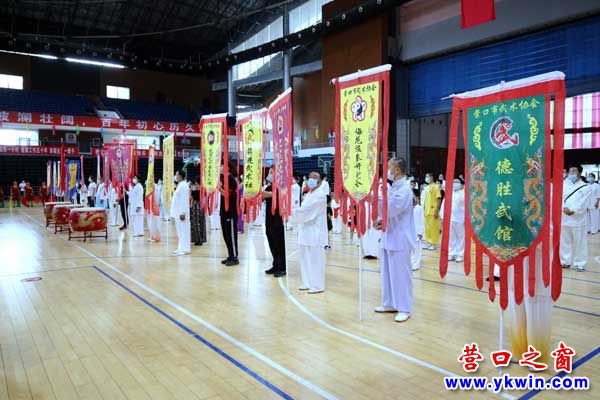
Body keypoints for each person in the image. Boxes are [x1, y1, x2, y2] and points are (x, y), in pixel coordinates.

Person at [374, 157, 415, 323]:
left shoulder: (405, 190)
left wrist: (375, 194)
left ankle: (404, 308)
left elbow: (390, 209)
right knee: (387, 273)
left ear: (397, 170)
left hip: (400, 239)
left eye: (389, 167)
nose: (387, 170)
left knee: (401, 275)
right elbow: (386, 213)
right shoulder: (393, 188)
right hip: (388, 236)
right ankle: (390, 303)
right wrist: (380, 221)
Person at [289, 171, 328, 294]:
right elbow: (302, 210)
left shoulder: (320, 195)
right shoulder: (309, 194)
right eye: (310, 177)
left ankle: (317, 285)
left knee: (316, 259)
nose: (311, 179)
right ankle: (307, 282)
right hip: (305, 230)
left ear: (320, 181)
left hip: (315, 232)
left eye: (315, 177)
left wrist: (290, 213)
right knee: (305, 258)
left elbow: (306, 212)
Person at [560, 166, 592, 271]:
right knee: (565, 241)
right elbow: (559, 198)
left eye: (574, 171)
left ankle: (580, 263)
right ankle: (565, 261)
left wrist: (573, 210)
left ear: (580, 172)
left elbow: (584, 202)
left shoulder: (586, 187)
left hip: (578, 219)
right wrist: (564, 208)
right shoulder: (563, 185)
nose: (572, 173)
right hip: (564, 217)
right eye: (570, 171)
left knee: (580, 242)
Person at [263, 168, 286, 277]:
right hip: (269, 219)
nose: (270, 174)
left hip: (277, 219)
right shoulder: (269, 186)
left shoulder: (281, 186)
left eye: (272, 173)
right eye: (269, 173)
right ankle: (275, 264)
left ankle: (282, 267)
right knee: (272, 243)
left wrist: (258, 191)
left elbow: (271, 194)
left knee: (279, 244)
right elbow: (263, 196)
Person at [219, 164, 239, 266]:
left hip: (230, 212)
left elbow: (227, 195)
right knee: (226, 235)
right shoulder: (223, 179)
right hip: (224, 212)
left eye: (222, 166)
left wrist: (219, 188)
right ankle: (230, 255)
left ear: (227, 168)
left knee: (231, 235)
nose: (220, 168)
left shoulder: (231, 179)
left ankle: (234, 257)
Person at [171, 170, 191, 255]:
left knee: (184, 231)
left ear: (180, 176)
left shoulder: (184, 186)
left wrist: (183, 212)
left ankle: (185, 249)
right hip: (177, 212)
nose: (175, 176)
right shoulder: (180, 185)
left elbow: (184, 200)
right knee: (180, 232)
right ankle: (180, 248)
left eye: (176, 175)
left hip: (182, 213)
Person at [446, 178, 465, 262]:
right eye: (454, 182)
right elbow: (444, 205)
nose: (455, 184)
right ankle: (451, 253)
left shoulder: (463, 194)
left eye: (457, 182)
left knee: (461, 237)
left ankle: (460, 254)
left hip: (460, 219)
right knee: (451, 237)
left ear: (461, 184)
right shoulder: (449, 193)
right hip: (451, 218)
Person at [422, 172, 442, 250]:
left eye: (428, 176)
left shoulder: (436, 187)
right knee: (427, 228)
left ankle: (433, 243)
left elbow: (439, 199)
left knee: (433, 228)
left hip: (433, 211)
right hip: (426, 211)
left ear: (432, 177)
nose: (426, 178)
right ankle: (428, 242)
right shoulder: (427, 187)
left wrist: (437, 210)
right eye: (426, 176)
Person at [411, 189, 424, 271]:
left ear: (417, 198)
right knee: (410, 249)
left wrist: (420, 232)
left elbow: (422, 221)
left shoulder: (420, 208)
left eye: (413, 197)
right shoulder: (408, 208)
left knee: (417, 249)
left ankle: (416, 264)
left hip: (417, 232)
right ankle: (411, 263)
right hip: (410, 232)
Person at [190, 180, 207, 246]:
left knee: (196, 223)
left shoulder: (196, 190)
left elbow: (191, 197)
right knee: (200, 222)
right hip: (201, 206)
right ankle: (200, 239)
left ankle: (198, 239)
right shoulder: (203, 189)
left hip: (196, 206)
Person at [145, 179, 161, 243]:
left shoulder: (155, 188)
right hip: (149, 209)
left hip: (154, 208)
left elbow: (156, 199)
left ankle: (156, 237)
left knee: (154, 223)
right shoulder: (148, 190)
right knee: (150, 223)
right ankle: (151, 236)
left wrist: (154, 207)